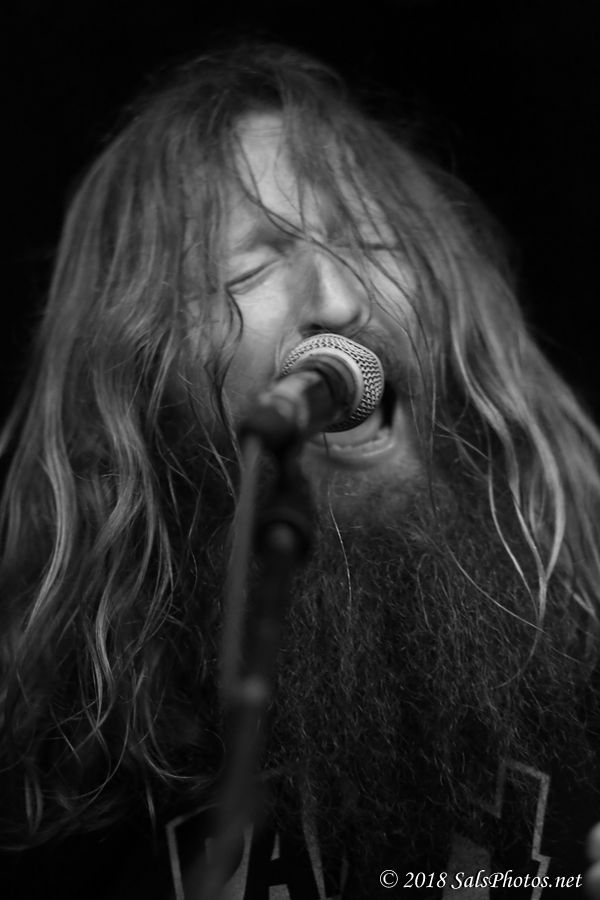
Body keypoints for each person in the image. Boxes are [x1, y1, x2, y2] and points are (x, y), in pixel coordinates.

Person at [1, 41, 599, 899]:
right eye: (247, 267)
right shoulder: (59, 772)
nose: (338, 299)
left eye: (375, 239)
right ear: (137, 375)